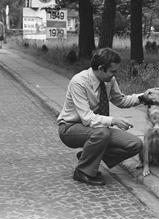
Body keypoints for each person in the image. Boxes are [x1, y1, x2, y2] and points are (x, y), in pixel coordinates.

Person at [57, 48, 152, 186]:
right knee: (102, 133)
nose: (115, 75)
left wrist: (143, 96)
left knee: (135, 144)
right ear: (101, 68)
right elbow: (87, 118)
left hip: (97, 129)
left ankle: (88, 157)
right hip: (70, 128)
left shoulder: (109, 80)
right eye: (113, 71)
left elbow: (120, 100)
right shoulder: (79, 82)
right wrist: (114, 121)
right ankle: (83, 172)